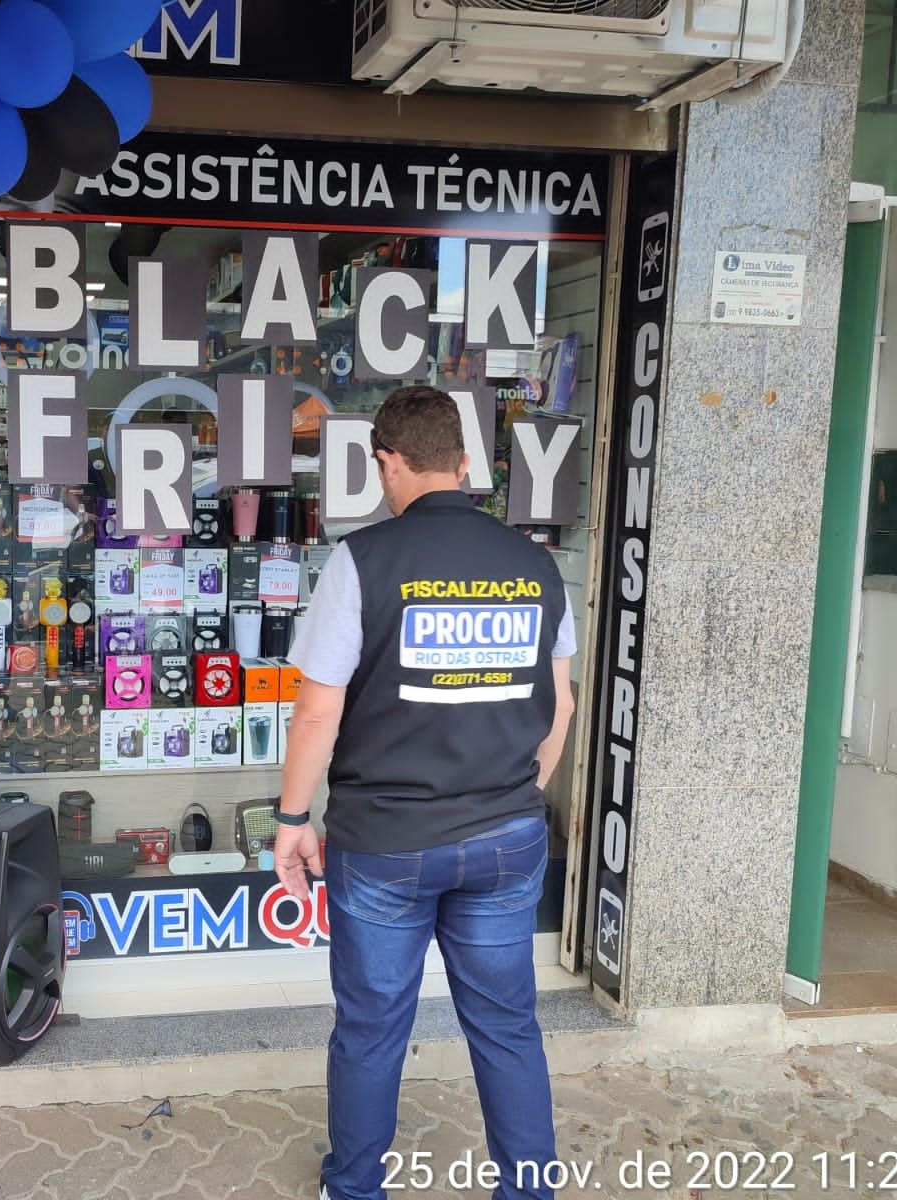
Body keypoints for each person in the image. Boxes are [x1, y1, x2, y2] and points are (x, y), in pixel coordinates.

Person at [274, 386, 577, 1200]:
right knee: (509, 1027)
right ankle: (528, 1189)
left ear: (389, 462)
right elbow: (564, 704)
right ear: (466, 463)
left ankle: (356, 1187)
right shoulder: (536, 565)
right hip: (506, 837)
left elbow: (316, 715)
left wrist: (292, 818)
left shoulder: (363, 562)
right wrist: (518, 793)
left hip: (388, 845)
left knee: (373, 1030)